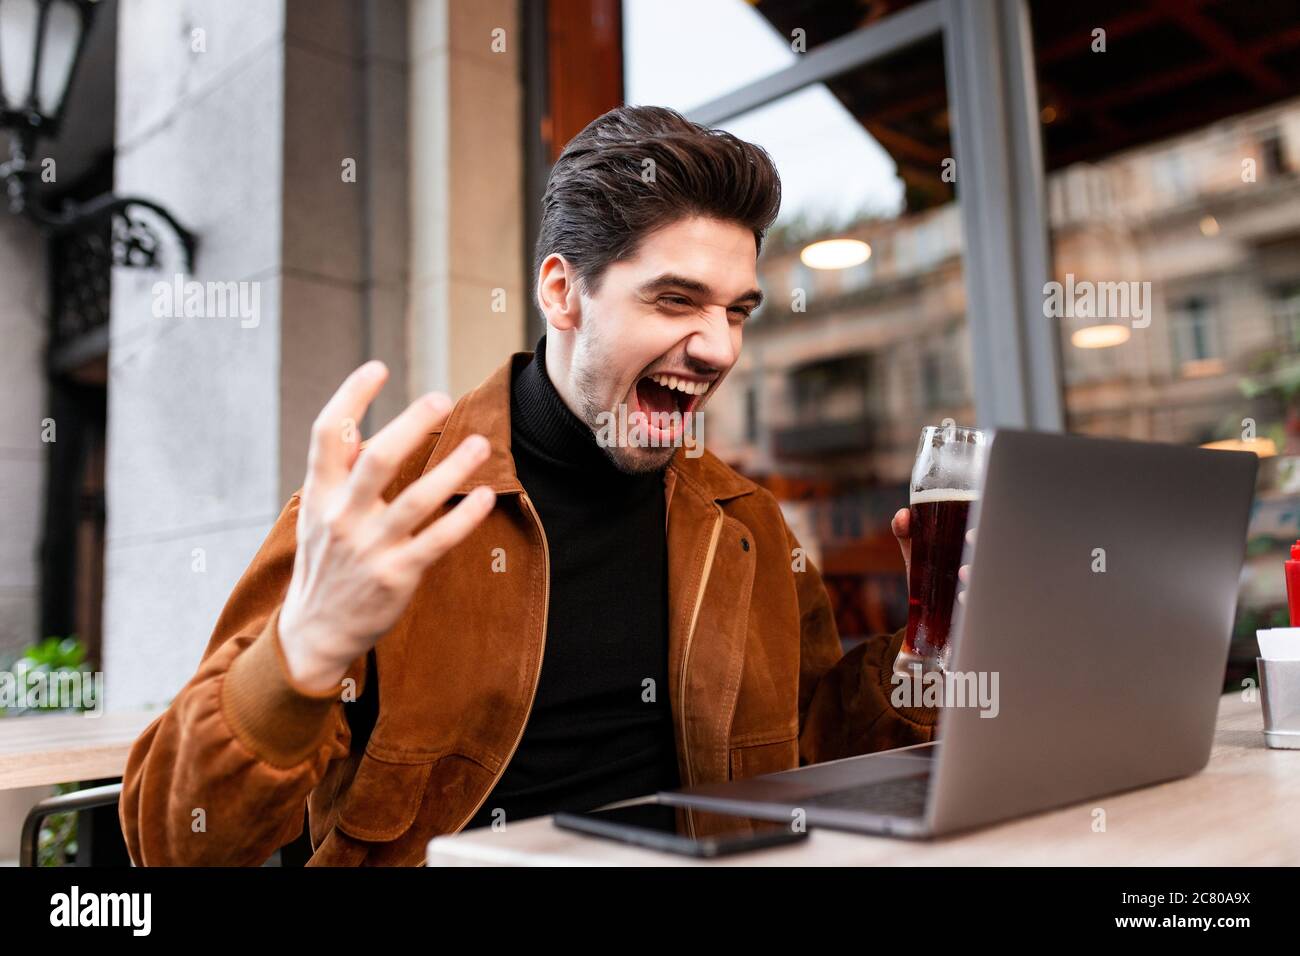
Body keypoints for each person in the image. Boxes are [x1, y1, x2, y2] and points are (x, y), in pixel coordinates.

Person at [119, 104, 937, 866]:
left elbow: (816, 757)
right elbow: (176, 843)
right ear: (561, 291)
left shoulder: (746, 523)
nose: (719, 348)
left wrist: (934, 648)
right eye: (676, 299)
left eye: (737, 311)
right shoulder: (383, 512)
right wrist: (302, 653)